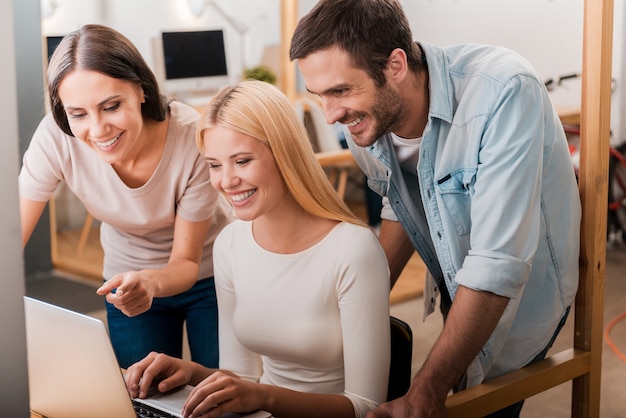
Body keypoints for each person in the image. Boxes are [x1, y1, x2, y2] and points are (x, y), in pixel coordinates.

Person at [289, 1, 581, 417]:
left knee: (477, 393)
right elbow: (399, 206)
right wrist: (344, 313)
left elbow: (497, 265)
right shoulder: (363, 122)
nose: (331, 115)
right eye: (319, 95)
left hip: (525, 296)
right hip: (460, 280)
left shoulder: (503, 92)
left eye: (341, 90)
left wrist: (426, 391)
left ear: (395, 65)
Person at [125, 80, 391, 418]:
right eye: (215, 165)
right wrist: (190, 373)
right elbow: (243, 379)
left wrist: (265, 398)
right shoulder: (230, 244)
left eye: (242, 160)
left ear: (285, 153)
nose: (226, 181)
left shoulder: (353, 250)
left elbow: (366, 406)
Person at [18, 24, 235, 369]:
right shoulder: (56, 139)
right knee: (143, 394)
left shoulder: (191, 137)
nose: (98, 130)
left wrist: (150, 280)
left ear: (141, 90)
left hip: (209, 274)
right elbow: (12, 234)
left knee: (219, 393)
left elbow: (186, 264)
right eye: (78, 114)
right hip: (127, 277)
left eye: (111, 106)